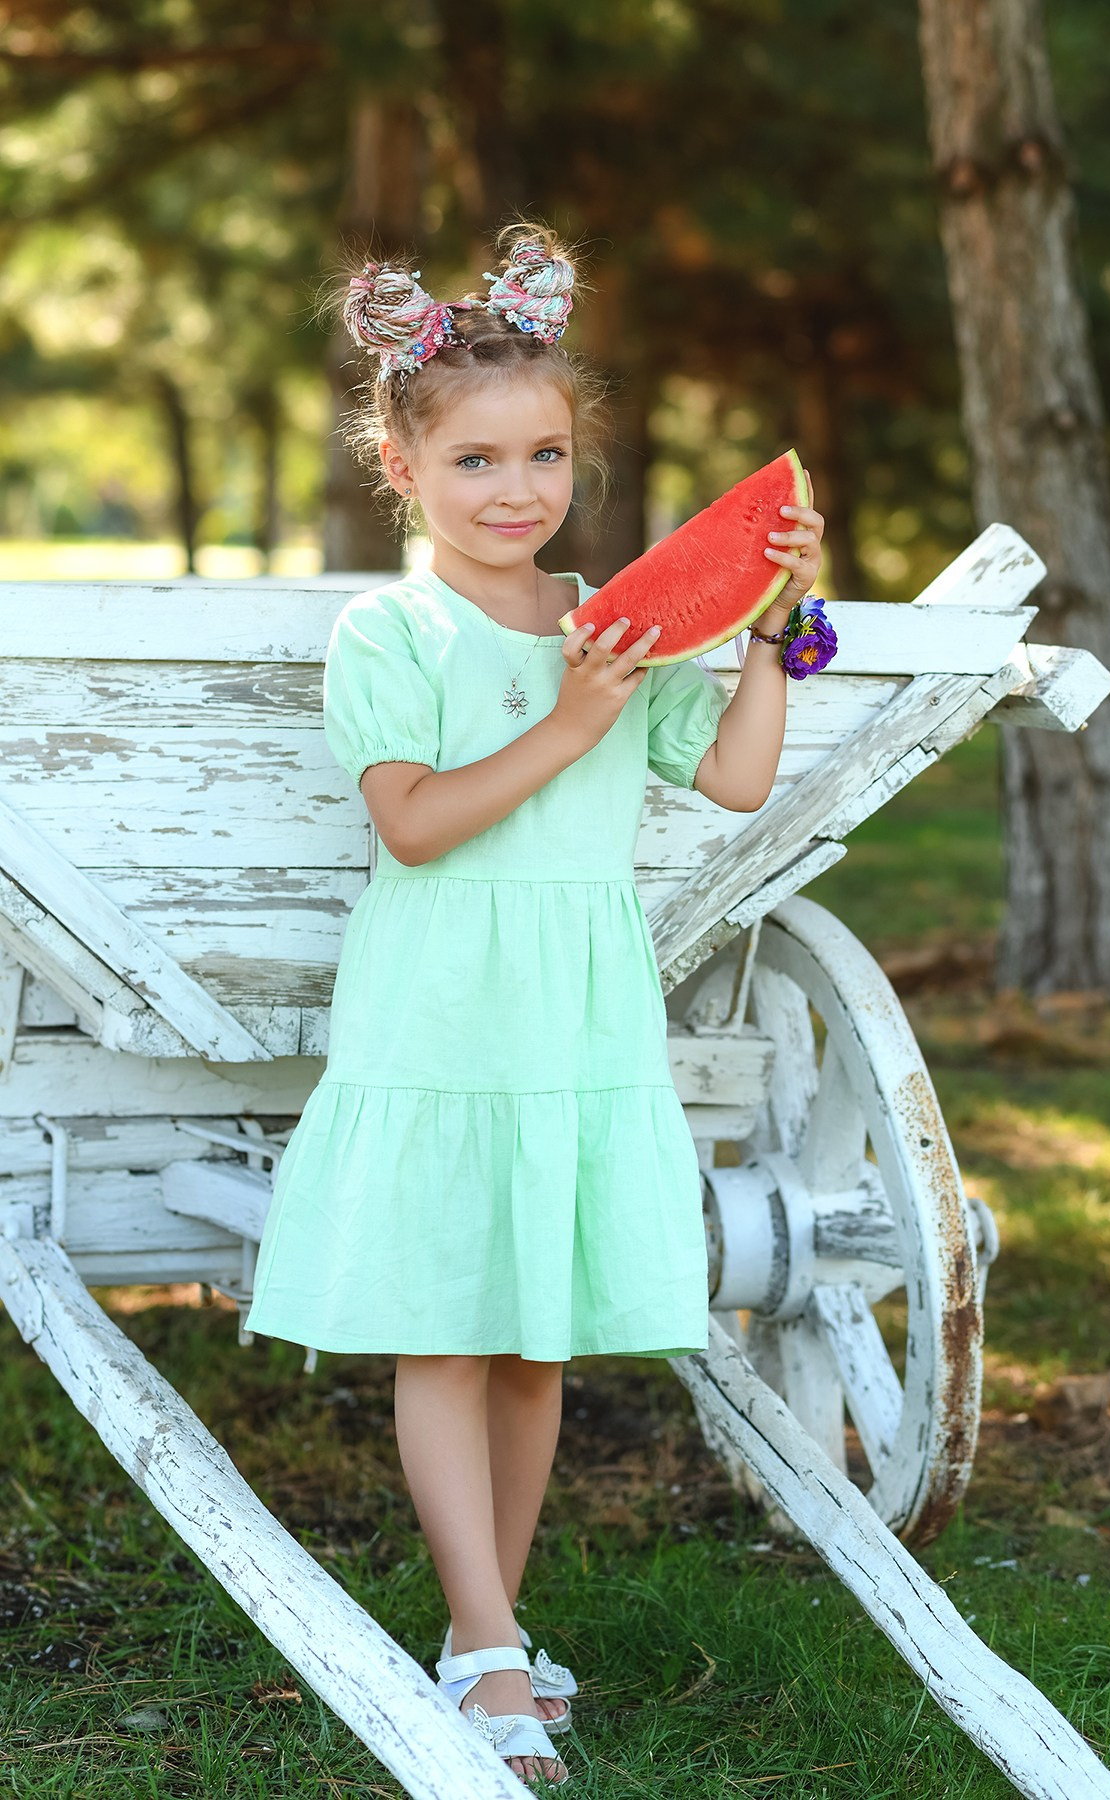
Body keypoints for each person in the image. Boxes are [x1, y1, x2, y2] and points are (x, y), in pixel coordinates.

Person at [244, 223, 826, 1787]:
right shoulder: (395, 632)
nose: (521, 491)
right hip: (442, 1007)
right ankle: (490, 1645)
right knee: (446, 1324)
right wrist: (573, 720)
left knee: (534, 1340)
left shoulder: (614, 614)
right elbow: (417, 823)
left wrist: (774, 624)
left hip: (577, 1013)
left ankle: (483, 1635)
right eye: (480, 460)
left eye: (549, 454)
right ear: (402, 463)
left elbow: (737, 772)